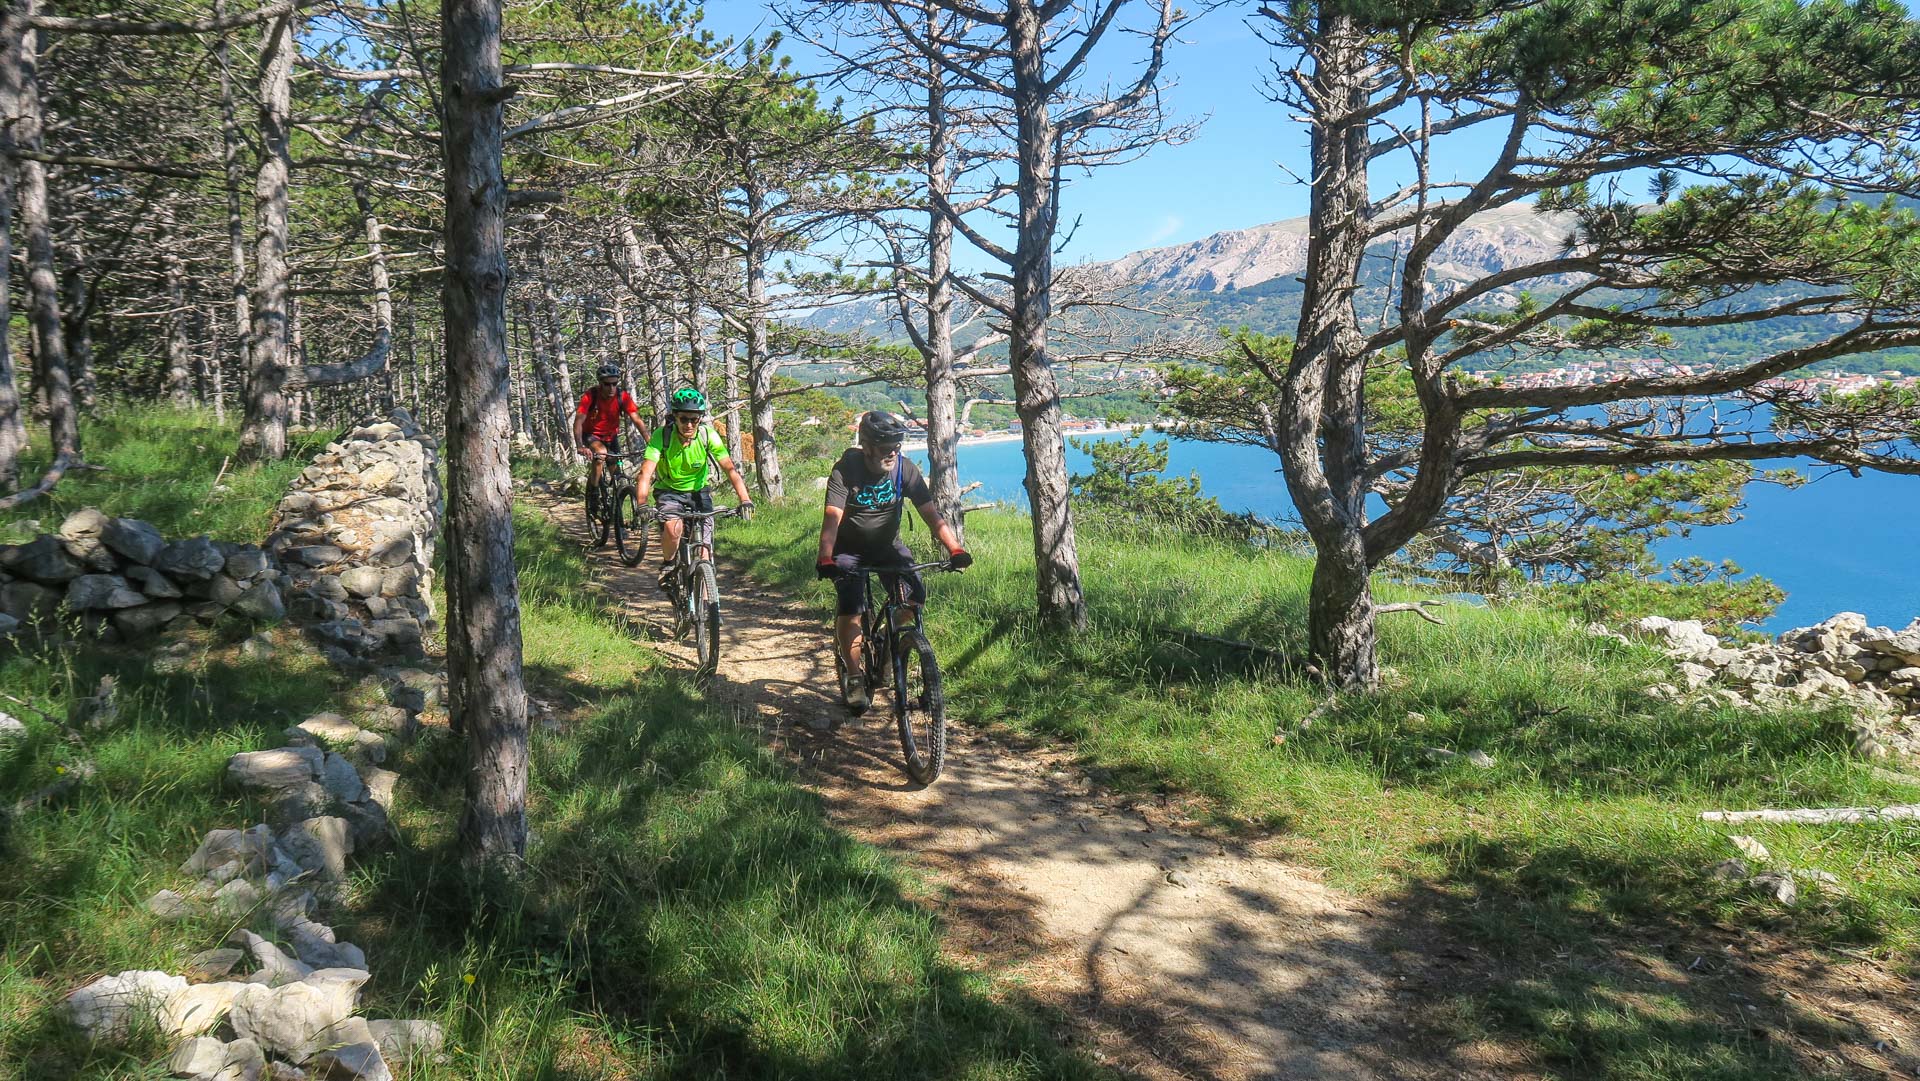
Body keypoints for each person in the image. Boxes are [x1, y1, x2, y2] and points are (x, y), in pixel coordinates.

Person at [816, 410, 971, 711]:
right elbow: (832, 518)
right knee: (852, 610)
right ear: (866, 446)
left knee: (915, 599)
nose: (892, 453)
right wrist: (825, 556)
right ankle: (854, 677)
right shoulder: (845, 471)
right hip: (848, 551)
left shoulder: (904, 469)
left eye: (896, 447)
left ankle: (889, 643)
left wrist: (955, 549)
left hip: (887, 547)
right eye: (885, 447)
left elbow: (931, 515)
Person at [634, 387, 754, 594]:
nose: (689, 424)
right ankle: (668, 565)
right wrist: (642, 504)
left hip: (699, 493)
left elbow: (730, 469)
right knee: (673, 528)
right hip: (669, 491)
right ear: (675, 417)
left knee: (704, 551)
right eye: (683, 419)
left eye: (694, 419)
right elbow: (645, 473)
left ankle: (707, 603)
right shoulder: (662, 436)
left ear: (700, 419)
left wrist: (745, 499)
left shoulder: (707, 435)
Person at [573, 362, 649, 512]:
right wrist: (580, 445)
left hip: (611, 437)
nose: (611, 388)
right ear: (600, 383)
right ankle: (594, 492)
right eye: (607, 384)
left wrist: (649, 441)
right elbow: (578, 421)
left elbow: (636, 419)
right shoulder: (591, 396)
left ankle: (616, 513)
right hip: (591, 435)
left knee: (617, 475)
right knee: (600, 454)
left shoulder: (622, 396)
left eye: (614, 384)